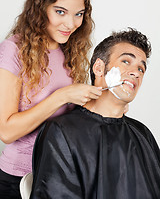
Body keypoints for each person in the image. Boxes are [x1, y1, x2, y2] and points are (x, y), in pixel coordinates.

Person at [0, 0, 102, 198]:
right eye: (60, 12)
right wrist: (62, 96)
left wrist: (105, 102)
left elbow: (70, 120)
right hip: (18, 180)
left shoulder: (72, 51)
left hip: (61, 175)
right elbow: (6, 131)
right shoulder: (13, 50)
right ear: (40, 8)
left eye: (79, 14)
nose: (70, 24)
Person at [30, 28, 160, 199]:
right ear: (99, 68)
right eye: (126, 61)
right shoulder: (62, 132)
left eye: (141, 69)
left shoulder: (142, 133)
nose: (136, 72)